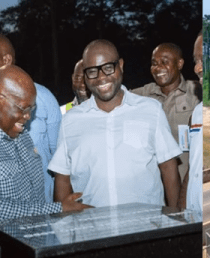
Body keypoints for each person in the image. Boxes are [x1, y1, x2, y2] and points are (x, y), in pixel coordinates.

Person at [0, 65, 89, 258]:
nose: (27, 118)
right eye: (22, 109)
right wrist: (57, 209)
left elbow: (34, 191)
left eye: (31, 109)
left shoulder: (20, 134)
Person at [48, 39, 182, 208]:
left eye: (108, 68)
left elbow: (169, 168)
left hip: (146, 226)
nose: (101, 77)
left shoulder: (150, 110)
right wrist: (63, 226)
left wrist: (178, 220)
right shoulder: (70, 120)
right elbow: (62, 178)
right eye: (92, 71)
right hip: (93, 228)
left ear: (121, 65)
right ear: (85, 75)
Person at [0, 33, 62, 203]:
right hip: (3, 215)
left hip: (43, 203)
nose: (26, 117)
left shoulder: (44, 97)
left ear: (6, 60)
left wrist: (57, 206)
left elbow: (59, 157)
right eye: (22, 109)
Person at [130, 43, 201, 182]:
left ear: (179, 64)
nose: (158, 68)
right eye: (154, 63)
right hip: (153, 188)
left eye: (164, 62)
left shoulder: (196, 93)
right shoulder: (144, 94)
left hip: (188, 182)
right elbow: (114, 96)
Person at [178, 31, 203, 214]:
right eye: (196, 61)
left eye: (203, 59)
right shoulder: (197, 114)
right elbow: (192, 169)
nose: (197, 68)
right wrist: (181, 212)